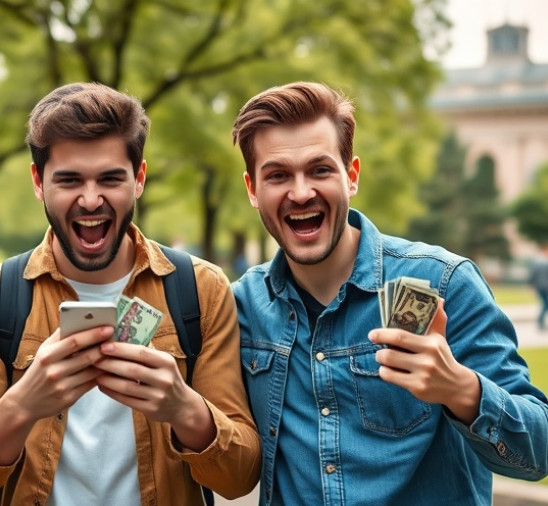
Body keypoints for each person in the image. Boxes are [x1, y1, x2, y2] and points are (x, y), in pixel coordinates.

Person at [0, 82, 261, 505]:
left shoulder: (201, 289)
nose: (91, 200)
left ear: (138, 179)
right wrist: (23, 403)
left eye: (110, 178)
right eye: (69, 180)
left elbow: (240, 478)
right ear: (38, 182)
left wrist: (185, 409)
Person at [230, 81, 548, 505]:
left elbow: (538, 453)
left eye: (320, 169)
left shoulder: (444, 282)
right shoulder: (242, 305)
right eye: (278, 175)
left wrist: (462, 390)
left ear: (352, 176)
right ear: (253, 190)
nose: (301, 191)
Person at [529, 244, 548, 331]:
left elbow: (532, 276)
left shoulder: (536, 263)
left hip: (540, 287)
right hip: (544, 287)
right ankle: (540, 321)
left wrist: (531, 286)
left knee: (545, 304)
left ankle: (540, 322)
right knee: (545, 304)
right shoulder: (543, 263)